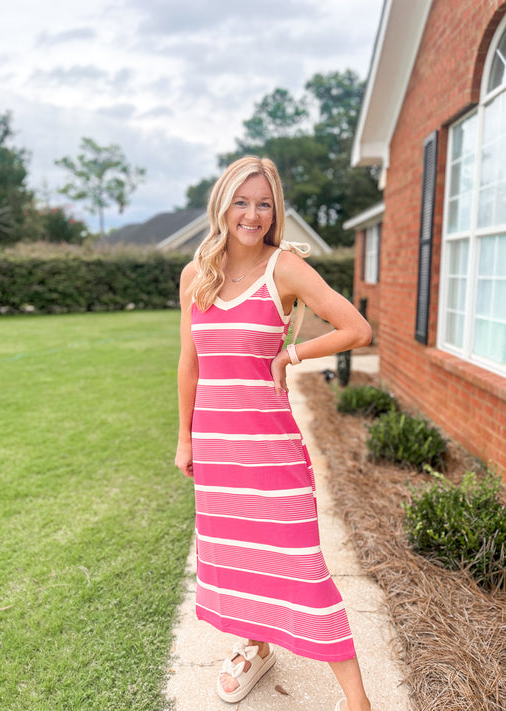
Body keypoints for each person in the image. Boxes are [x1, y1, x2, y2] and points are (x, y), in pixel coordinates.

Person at [175, 155, 374, 711]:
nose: (253, 214)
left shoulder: (283, 267)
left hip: (272, 453)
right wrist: (185, 439)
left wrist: (292, 352)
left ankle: (358, 701)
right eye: (242, 201)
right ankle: (255, 647)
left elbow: (357, 327)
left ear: (275, 210)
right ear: (223, 204)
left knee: (302, 569)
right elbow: (189, 364)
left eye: (264, 203)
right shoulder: (196, 274)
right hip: (217, 449)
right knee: (240, 558)